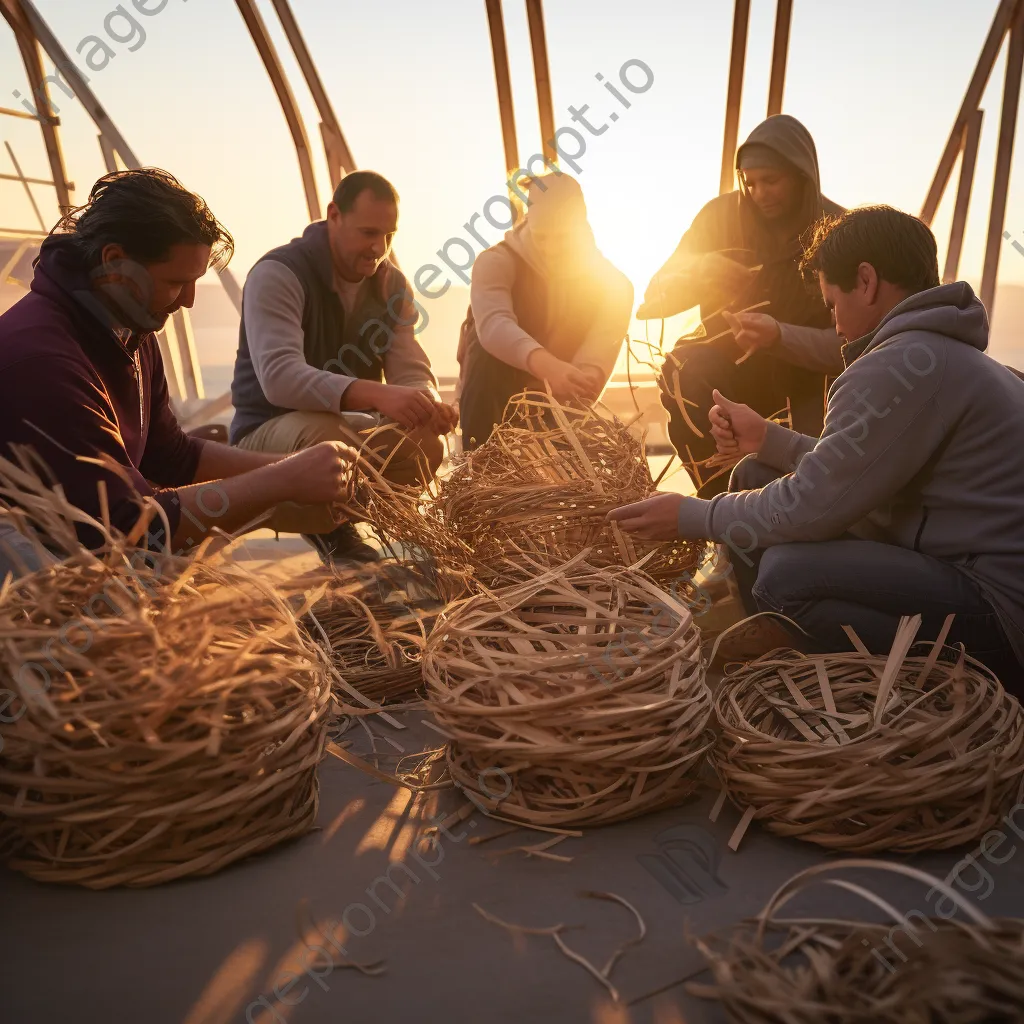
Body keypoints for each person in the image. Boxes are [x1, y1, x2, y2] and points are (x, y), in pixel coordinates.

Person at [610, 206, 1024, 691]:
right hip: (955, 564)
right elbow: (855, 470)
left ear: (866, 282)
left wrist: (689, 515)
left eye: (831, 303)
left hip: (998, 616)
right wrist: (769, 439)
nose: (835, 325)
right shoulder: (946, 357)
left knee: (788, 575)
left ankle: (805, 663)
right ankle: (776, 644)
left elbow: (811, 508)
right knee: (753, 472)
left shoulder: (900, 364)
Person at [0, 168, 357, 578]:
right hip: (36, 576)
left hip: (100, 538)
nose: (188, 301)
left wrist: (288, 467)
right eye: (176, 282)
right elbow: (133, 532)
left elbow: (171, 456)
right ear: (114, 262)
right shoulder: (43, 362)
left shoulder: (127, 326)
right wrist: (283, 482)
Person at [231, 170, 456, 562]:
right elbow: (279, 378)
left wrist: (426, 402)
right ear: (334, 215)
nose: (379, 248)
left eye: (389, 235)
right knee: (329, 441)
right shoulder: (278, 273)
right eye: (368, 233)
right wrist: (377, 394)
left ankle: (356, 526)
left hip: (341, 431)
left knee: (425, 445)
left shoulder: (393, 286)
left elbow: (410, 366)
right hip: (263, 433)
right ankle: (337, 536)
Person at [639, 114, 845, 496]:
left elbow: (854, 347)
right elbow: (651, 303)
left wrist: (779, 336)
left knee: (809, 481)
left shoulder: (838, 230)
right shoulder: (717, 219)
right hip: (724, 378)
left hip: (810, 381)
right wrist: (701, 271)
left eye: (771, 181)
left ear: (802, 175)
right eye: (749, 183)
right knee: (683, 368)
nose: (759, 192)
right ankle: (718, 502)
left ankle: (794, 513)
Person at [457, 173, 633, 448]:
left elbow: (593, 365)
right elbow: (494, 325)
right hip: (491, 407)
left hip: (558, 408)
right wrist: (548, 367)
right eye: (542, 237)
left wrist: (567, 384)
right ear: (528, 220)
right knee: (482, 344)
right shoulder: (495, 261)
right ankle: (480, 467)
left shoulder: (615, 286)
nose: (551, 249)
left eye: (562, 238)